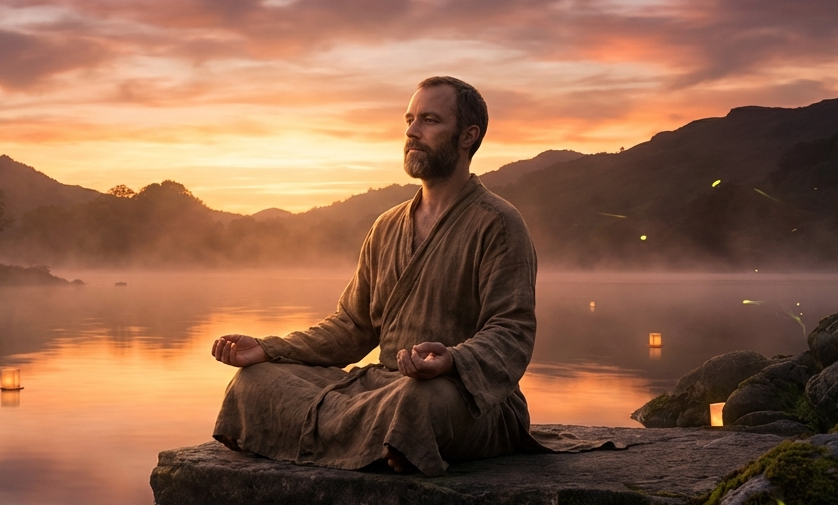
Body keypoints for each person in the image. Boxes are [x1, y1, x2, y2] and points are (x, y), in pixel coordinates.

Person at [211, 76, 593, 477]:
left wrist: (454, 360)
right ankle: (388, 443)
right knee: (254, 382)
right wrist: (270, 349)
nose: (412, 132)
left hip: (465, 397)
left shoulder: (498, 223)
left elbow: (512, 331)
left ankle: (388, 437)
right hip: (383, 388)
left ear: (468, 136)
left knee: (417, 404)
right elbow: (352, 327)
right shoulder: (386, 226)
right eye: (410, 120)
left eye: (429, 120)